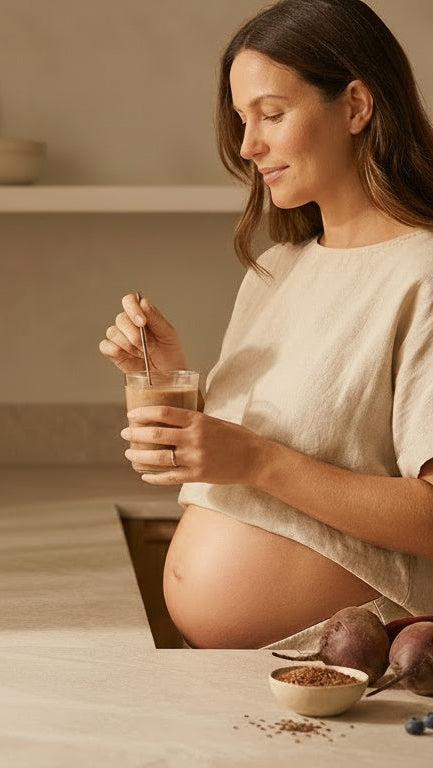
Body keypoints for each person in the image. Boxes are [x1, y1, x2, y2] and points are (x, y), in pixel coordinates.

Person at [100, 0, 433, 650]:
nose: (248, 146)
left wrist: (254, 460)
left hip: (347, 682)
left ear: (356, 106)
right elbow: (275, 460)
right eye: (241, 120)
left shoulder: (421, 272)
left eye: (271, 115)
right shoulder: (275, 269)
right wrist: (171, 385)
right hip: (240, 677)